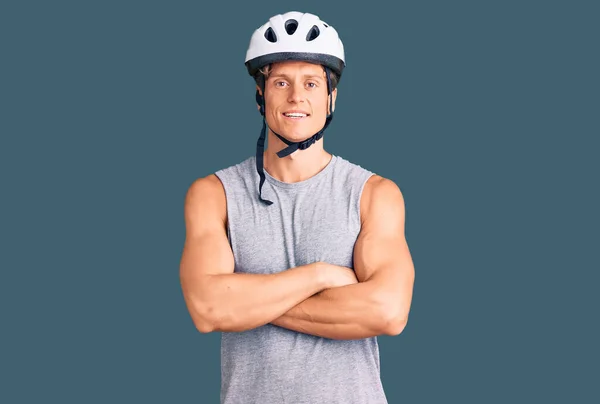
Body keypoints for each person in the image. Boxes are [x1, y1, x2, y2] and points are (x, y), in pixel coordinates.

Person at [179, 11, 415, 404]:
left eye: (311, 82)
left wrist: (244, 302)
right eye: (280, 82)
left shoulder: (374, 193)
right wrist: (323, 275)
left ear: (330, 97)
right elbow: (208, 308)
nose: (296, 97)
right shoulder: (213, 193)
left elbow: (388, 312)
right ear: (260, 95)